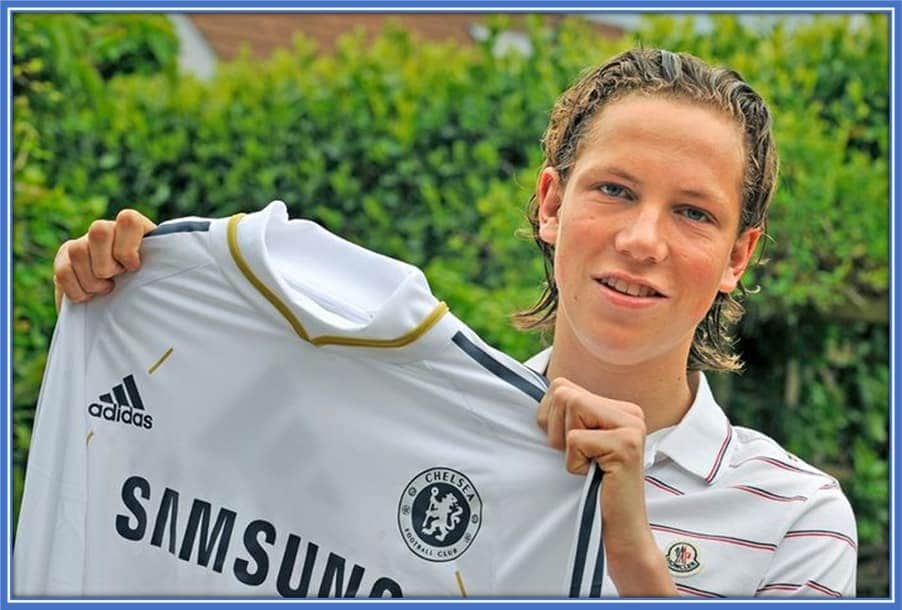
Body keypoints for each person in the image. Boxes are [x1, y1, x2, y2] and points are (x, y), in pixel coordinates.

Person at [50, 48, 857, 597]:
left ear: (736, 258)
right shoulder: (410, 438)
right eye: (614, 190)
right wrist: (127, 317)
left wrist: (634, 558)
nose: (642, 240)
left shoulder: (796, 514)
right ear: (550, 205)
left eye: (692, 213)